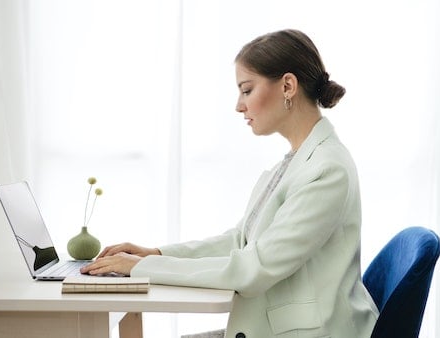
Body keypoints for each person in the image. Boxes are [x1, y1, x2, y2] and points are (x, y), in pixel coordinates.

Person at [81, 29, 379, 338]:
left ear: (288, 86)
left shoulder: (327, 169)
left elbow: (254, 268)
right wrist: (155, 254)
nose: (239, 105)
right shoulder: (295, 161)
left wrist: (141, 269)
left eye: (247, 90)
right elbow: (240, 241)